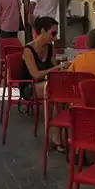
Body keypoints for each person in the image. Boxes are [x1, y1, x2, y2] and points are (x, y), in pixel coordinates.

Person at [21, 16, 64, 150]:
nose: (55, 37)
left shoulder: (50, 48)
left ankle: (55, 133)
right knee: (54, 90)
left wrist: (62, 69)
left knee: (60, 91)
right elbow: (36, 75)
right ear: (43, 31)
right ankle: (54, 133)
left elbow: (55, 70)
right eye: (53, 33)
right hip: (29, 87)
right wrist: (56, 69)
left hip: (46, 84)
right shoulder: (28, 50)